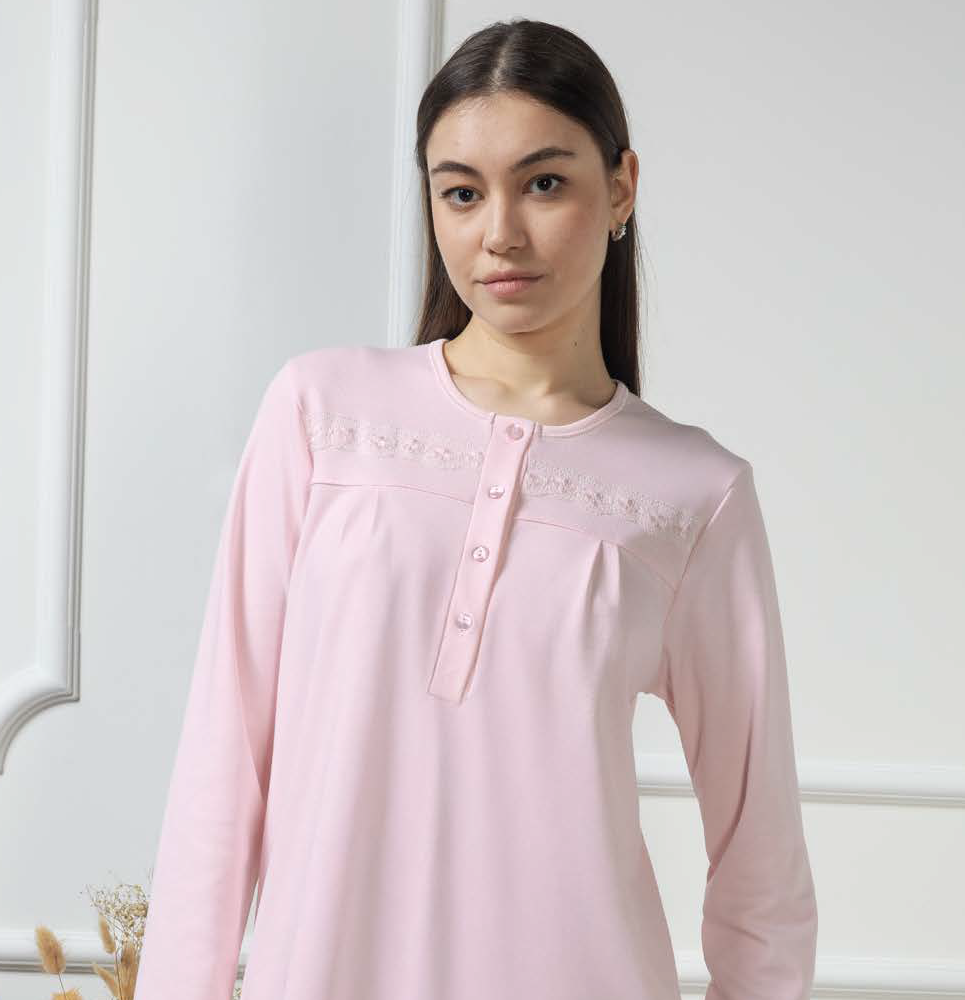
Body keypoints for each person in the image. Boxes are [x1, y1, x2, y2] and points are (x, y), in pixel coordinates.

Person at [135, 16, 817, 1000]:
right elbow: (222, 762)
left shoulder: (694, 494)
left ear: (621, 188)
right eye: (461, 192)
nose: (499, 232)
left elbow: (763, 870)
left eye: (543, 183)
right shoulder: (321, 413)